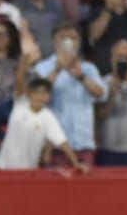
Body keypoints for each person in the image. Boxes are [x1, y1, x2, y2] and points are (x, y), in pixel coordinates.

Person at [34, 23, 106, 168]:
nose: (68, 42)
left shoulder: (88, 68)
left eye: (73, 38)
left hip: (84, 143)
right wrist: (58, 68)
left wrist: (81, 77)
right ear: (54, 42)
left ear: (79, 43)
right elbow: (36, 96)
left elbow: (102, 94)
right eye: (63, 38)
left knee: (86, 189)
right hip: (55, 146)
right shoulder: (42, 67)